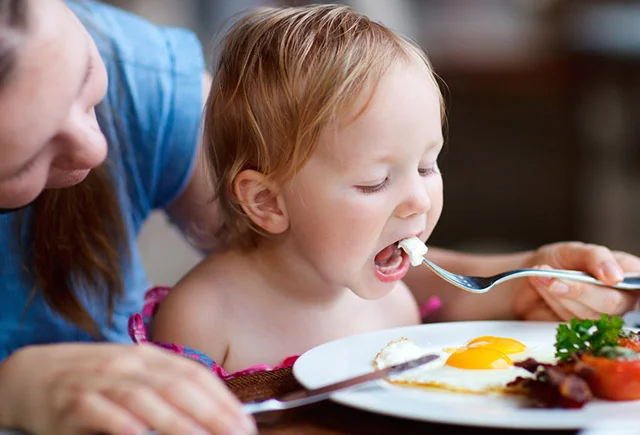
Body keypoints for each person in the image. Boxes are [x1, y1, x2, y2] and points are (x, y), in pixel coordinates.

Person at [136, 4, 640, 377]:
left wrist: (558, 281)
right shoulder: (204, 318)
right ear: (267, 201)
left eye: (427, 166)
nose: (419, 201)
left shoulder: (396, 296)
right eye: (375, 181)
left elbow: (473, 297)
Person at [0, 1, 255, 434]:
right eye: (25, 163)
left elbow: (304, 251)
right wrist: (12, 390)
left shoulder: (139, 72)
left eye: (83, 74)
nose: (96, 149)